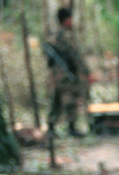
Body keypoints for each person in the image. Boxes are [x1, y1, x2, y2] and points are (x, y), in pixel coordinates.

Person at [45, 7, 90, 138]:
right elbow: (75, 55)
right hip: (67, 72)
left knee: (57, 99)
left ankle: (51, 127)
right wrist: (86, 71)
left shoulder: (53, 35)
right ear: (67, 19)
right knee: (70, 99)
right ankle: (71, 127)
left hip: (57, 73)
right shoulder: (66, 35)